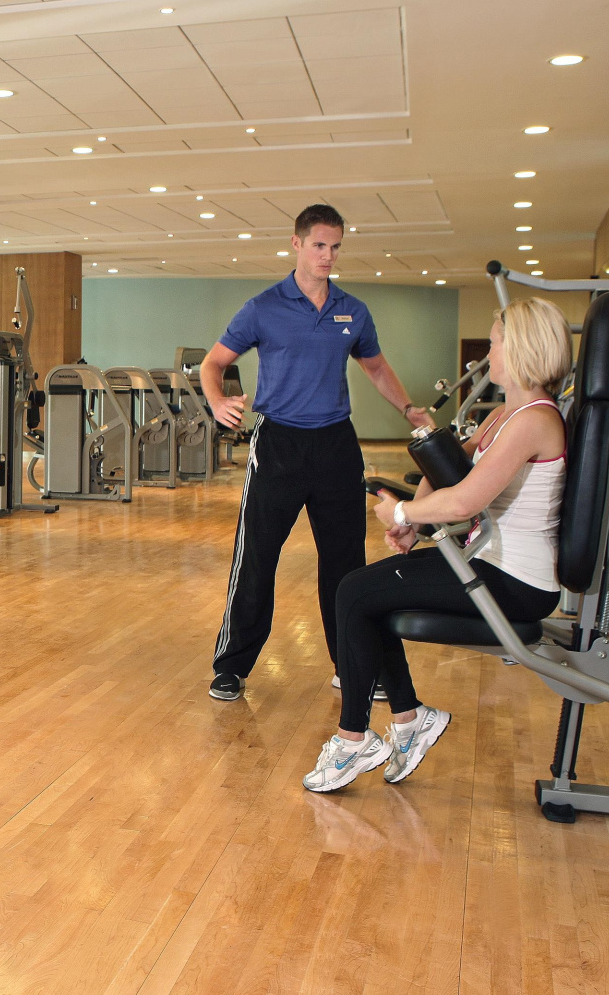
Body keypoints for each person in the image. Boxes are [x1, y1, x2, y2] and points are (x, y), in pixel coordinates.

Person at [302, 298, 572, 792]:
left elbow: (466, 499)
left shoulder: (534, 420)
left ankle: (353, 739)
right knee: (365, 595)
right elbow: (448, 465)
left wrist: (403, 513)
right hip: (487, 564)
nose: (488, 355)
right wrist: (416, 523)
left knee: (354, 592)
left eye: (495, 343)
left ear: (522, 348)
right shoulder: (505, 415)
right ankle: (409, 721)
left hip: (516, 582)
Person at [203, 204, 433, 702]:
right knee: (257, 557)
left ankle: (350, 666)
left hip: (336, 445)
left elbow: (376, 367)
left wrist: (408, 408)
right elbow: (213, 363)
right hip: (278, 443)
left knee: (346, 564)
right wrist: (218, 401)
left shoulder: (353, 310)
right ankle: (232, 665)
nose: (328, 256)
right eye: (319, 245)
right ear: (297, 244)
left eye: (335, 247)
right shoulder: (263, 307)